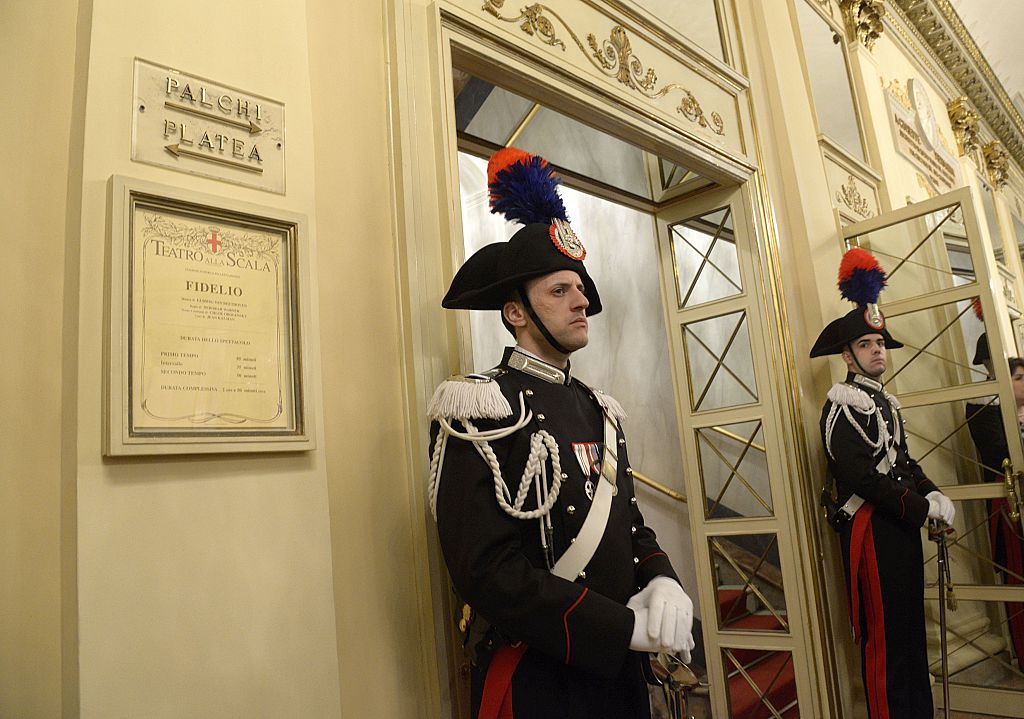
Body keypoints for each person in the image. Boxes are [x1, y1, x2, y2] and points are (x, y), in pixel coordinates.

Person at [426, 148, 694, 719]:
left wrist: (662, 579)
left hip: (618, 677)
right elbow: (486, 571)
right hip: (542, 682)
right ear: (515, 312)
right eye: (559, 291)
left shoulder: (601, 410)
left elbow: (630, 528)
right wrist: (619, 628)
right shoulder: (479, 408)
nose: (581, 302)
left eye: (581, 290)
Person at [810, 248, 956, 719]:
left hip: (899, 528)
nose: (878, 350)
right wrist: (918, 507)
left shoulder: (887, 404)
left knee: (911, 633)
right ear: (848, 355)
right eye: (868, 344)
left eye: (880, 343)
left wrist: (931, 491)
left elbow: (903, 462)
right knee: (885, 643)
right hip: (871, 530)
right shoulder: (840, 406)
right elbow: (862, 478)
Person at [965, 337, 1024, 670]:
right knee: (1018, 574)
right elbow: (998, 455)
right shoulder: (983, 404)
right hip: (1008, 496)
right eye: (1017, 376)